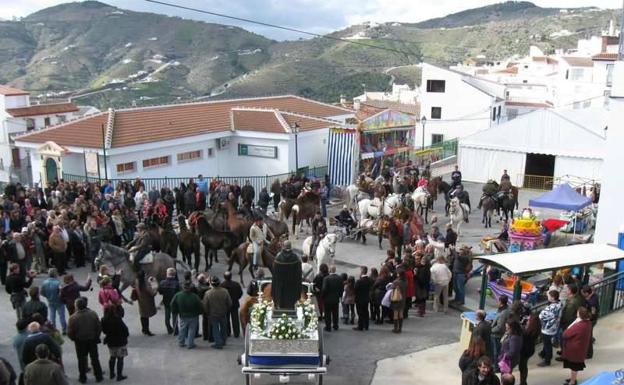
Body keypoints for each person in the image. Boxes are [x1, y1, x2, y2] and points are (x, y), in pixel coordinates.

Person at [67, 297, 103, 383]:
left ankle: (83, 377)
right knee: (95, 358)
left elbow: (70, 332)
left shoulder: (73, 318)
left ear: (77, 306)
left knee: (81, 360)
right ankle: (98, 376)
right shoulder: (93, 314)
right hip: (92, 339)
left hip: (80, 341)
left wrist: (74, 339)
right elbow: (98, 327)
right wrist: (96, 336)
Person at [561, 307, 593, 385]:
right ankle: (573, 379)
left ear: (580, 315)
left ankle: (572, 382)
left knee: (574, 367)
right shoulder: (588, 323)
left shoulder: (579, 325)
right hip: (580, 349)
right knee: (575, 366)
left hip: (575, 349)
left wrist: (574, 324)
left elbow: (565, 334)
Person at [171, 280, 203, 349]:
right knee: (192, 330)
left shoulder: (178, 295)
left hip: (183, 315)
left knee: (182, 329)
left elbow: (172, 304)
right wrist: (200, 312)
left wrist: (175, 311)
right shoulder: (194, 296)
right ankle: (190, 344)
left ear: (183, 287)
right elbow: (200, 305)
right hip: (193, 316)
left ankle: (181, 342)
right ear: (190, 287)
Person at [101, 305, 129, 381]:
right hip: (121, 342)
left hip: (110, 341)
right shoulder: (118, 319)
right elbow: (125, 330)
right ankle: (119, 375)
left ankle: (112, 373)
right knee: (120, 358)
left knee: (112, 357)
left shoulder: (104, 319)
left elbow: (104, 331)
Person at [203, 276, 232, 349]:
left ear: (212, 284)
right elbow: (229, 303)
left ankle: (218, 343)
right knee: (223, 327)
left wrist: (207, 312)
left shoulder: (208, 293)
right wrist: (226, 310)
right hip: (223, 312)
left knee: (215, 329)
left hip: (213, 314)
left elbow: (205, 304)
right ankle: (223, 341)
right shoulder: (225, 291)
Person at [538, 290, 562, 367]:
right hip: (554, 327)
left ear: (552, 298)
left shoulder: (551, 307)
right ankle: (543, 353)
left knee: (547, 344)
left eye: (549, 296)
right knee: (547, 343)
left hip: (547, 328)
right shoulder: (559, 304)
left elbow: (541, 316)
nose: (547, 297)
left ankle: (547, 360)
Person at [519, 305, 540, 385]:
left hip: (526, 348)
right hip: (527, 347)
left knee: (523, 366)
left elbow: (527, 334)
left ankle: (523, 383)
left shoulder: (533, 322)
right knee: (523, 366)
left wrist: (521, 328)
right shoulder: (530, 319)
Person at [131, 271, 157, 336]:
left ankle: (144, 329)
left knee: (143, 315)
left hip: (141, 301)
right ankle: (147, 330)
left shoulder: (137, 282)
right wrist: (154, 284)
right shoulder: (145, 284)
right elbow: (152, 293)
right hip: (147, 301)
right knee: (146, 316)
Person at [40, 268, 66, 334]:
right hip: (59, 302)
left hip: (50, 301)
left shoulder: (44, 282)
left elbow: (41, 292)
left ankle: (53, 329)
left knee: (52, 316)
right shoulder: (58, 283)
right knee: (62, 316)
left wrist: (47, 296)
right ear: (55, 274)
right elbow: (61, 292)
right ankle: (64, 329)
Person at [158, 267, 180, 335]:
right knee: (174, 317)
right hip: (175, 302)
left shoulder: (162, 282)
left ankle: (169, 329)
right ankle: (175, 330)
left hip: (166, 301)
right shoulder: (177, 283)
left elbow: (160, 292)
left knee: (167, 317)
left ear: (167, 274)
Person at [321, 265, 343, 332]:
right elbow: (341, 289)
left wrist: (323, 296)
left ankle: (328, 327)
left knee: (327, 314)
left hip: (327, 299)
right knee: (335, 312)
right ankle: (335, 325)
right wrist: (339, 296)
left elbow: (324, 289)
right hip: (336, 298)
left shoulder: (326, 278)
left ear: (330, 270)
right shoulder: (339, 278)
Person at [221, 271, 243, 338]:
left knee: (226, 319)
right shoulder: (236, 284)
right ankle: (236, 333)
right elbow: (240, 293)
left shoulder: (222, 285)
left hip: (225, 305)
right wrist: (236, 298)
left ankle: (228, 332)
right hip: (234, 303)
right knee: (235, 319)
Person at [491, 295, 510, 369]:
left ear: (500, 302)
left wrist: (491, 330)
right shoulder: (505, 309)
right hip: (499, 334)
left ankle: (496, 367)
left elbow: (499, 327)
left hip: (497, 335)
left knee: (496, 352)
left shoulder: (503, 313)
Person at [581, 285, 599, 359]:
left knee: (588, 336)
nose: (582, 294)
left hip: (591, 320)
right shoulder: (593, 295)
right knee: (588, 335)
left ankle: (589, 354)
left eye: (583, 293)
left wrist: (588, 319)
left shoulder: (592, 302)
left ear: (587, 293)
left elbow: (593, 312)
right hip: (590, 319)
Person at [353, 266, 373, 331]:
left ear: (362, 271)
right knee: (366, 312)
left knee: (360, 313)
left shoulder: (359, 281)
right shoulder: (369, 280)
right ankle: (366, 325)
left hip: (359, 299)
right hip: (366, 298)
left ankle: (360, 326)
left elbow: (355, 290)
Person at [390, 269, 407, 333]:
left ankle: (395, 328)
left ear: (399, 274)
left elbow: (391, 288)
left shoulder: (396, 282)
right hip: (403, 298)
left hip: (396, 298)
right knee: (401, 313)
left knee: (395, 313)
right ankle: (400, 328)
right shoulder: (405, 281)